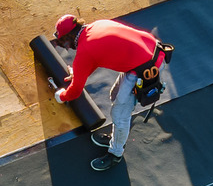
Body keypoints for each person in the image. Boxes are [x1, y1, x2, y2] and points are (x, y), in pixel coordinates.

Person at [51, 15, 171, 172]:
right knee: (115, 95)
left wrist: (61, 96)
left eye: (63, 43)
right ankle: (116, 139)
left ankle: (116, 153)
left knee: (120, 115)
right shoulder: (97, 25)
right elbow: (94, 60)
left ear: (69, 37)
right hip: (151, 50)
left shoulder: (85, 50)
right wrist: (79, 73)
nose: (66, 47)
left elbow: (75, 91)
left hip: (146, 68)